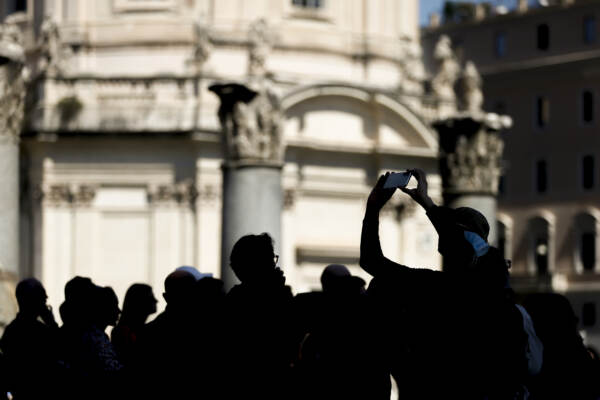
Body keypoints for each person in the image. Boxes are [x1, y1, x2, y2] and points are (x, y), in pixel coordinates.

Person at [360, 169, 534, 399]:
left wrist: (374, 209)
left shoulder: (436, 288)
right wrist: (428, 204)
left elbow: (371, 260)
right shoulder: (501, 297)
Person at [225, 233, 298, 400]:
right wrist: (278, 293)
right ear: (259, 264)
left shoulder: (232, 300)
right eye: (270, 258)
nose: (274, 265)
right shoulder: (251, 301)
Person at [0, 278, 59, 399]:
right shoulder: (42, 332)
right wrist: (52, 323)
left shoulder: (10, 331)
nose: (45, 303)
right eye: (43, 298)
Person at [111, 283, 157, 367]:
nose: (156, 300)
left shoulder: (123, 330)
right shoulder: (123, 332)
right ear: (139, 301)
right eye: (151, 297)